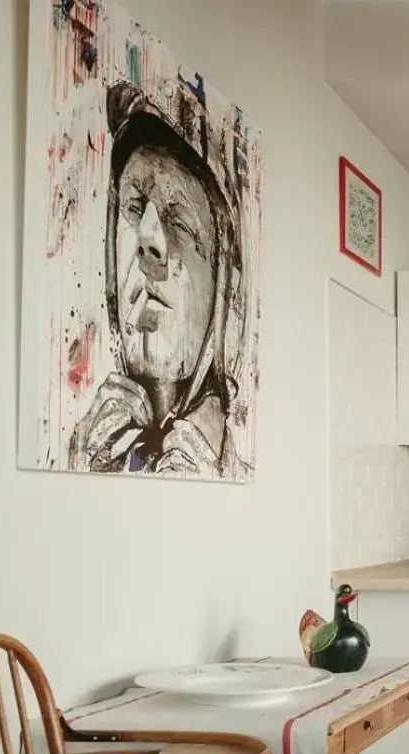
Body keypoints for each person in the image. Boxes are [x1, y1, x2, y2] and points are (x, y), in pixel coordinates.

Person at [71, 82, 246, 476]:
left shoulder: (228, 469)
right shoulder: (87, 450)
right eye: (134, 207)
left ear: (221, 281)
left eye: (179, 220)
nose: (149, 242)